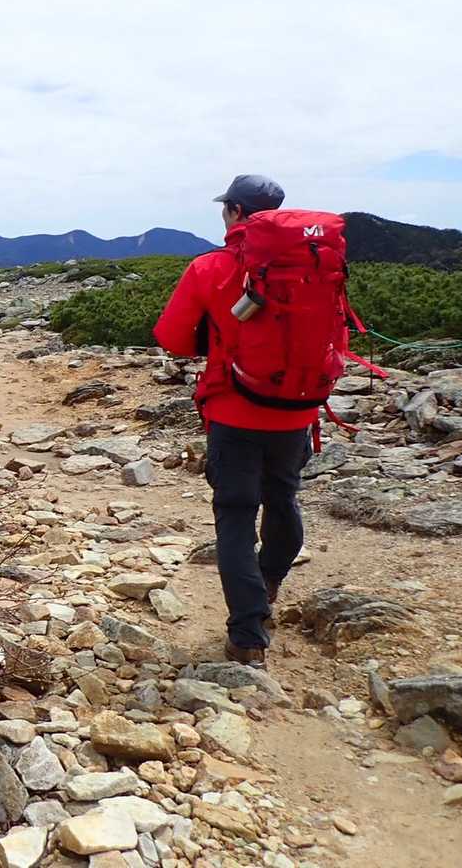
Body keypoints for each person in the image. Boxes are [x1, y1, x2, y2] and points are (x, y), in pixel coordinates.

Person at [153, 175, 317, 667]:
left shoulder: (210, 267)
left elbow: (173, 339)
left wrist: (216, 339)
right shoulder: (312, 263)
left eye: (226, 208)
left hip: (234, 410)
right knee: (283, 498)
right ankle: (268, 581)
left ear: (237, 212)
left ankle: (247, 638)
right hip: (298, 408)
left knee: (236, 515)